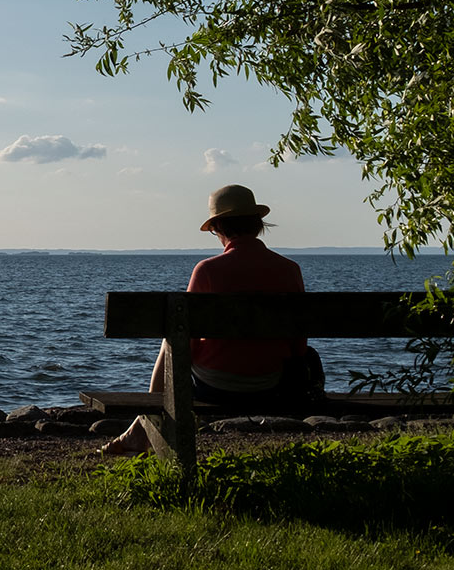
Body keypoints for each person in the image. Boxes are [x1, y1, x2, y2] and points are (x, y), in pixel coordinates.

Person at [99, 184, 319, 456]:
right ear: (258, 224)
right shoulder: (289, 269)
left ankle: (142, 429)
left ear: (218, 227)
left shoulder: (207, 270)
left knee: (171, 340)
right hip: (271, 384)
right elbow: (298, 346)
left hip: (215, 387)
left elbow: (186, 346)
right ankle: (139, 429)